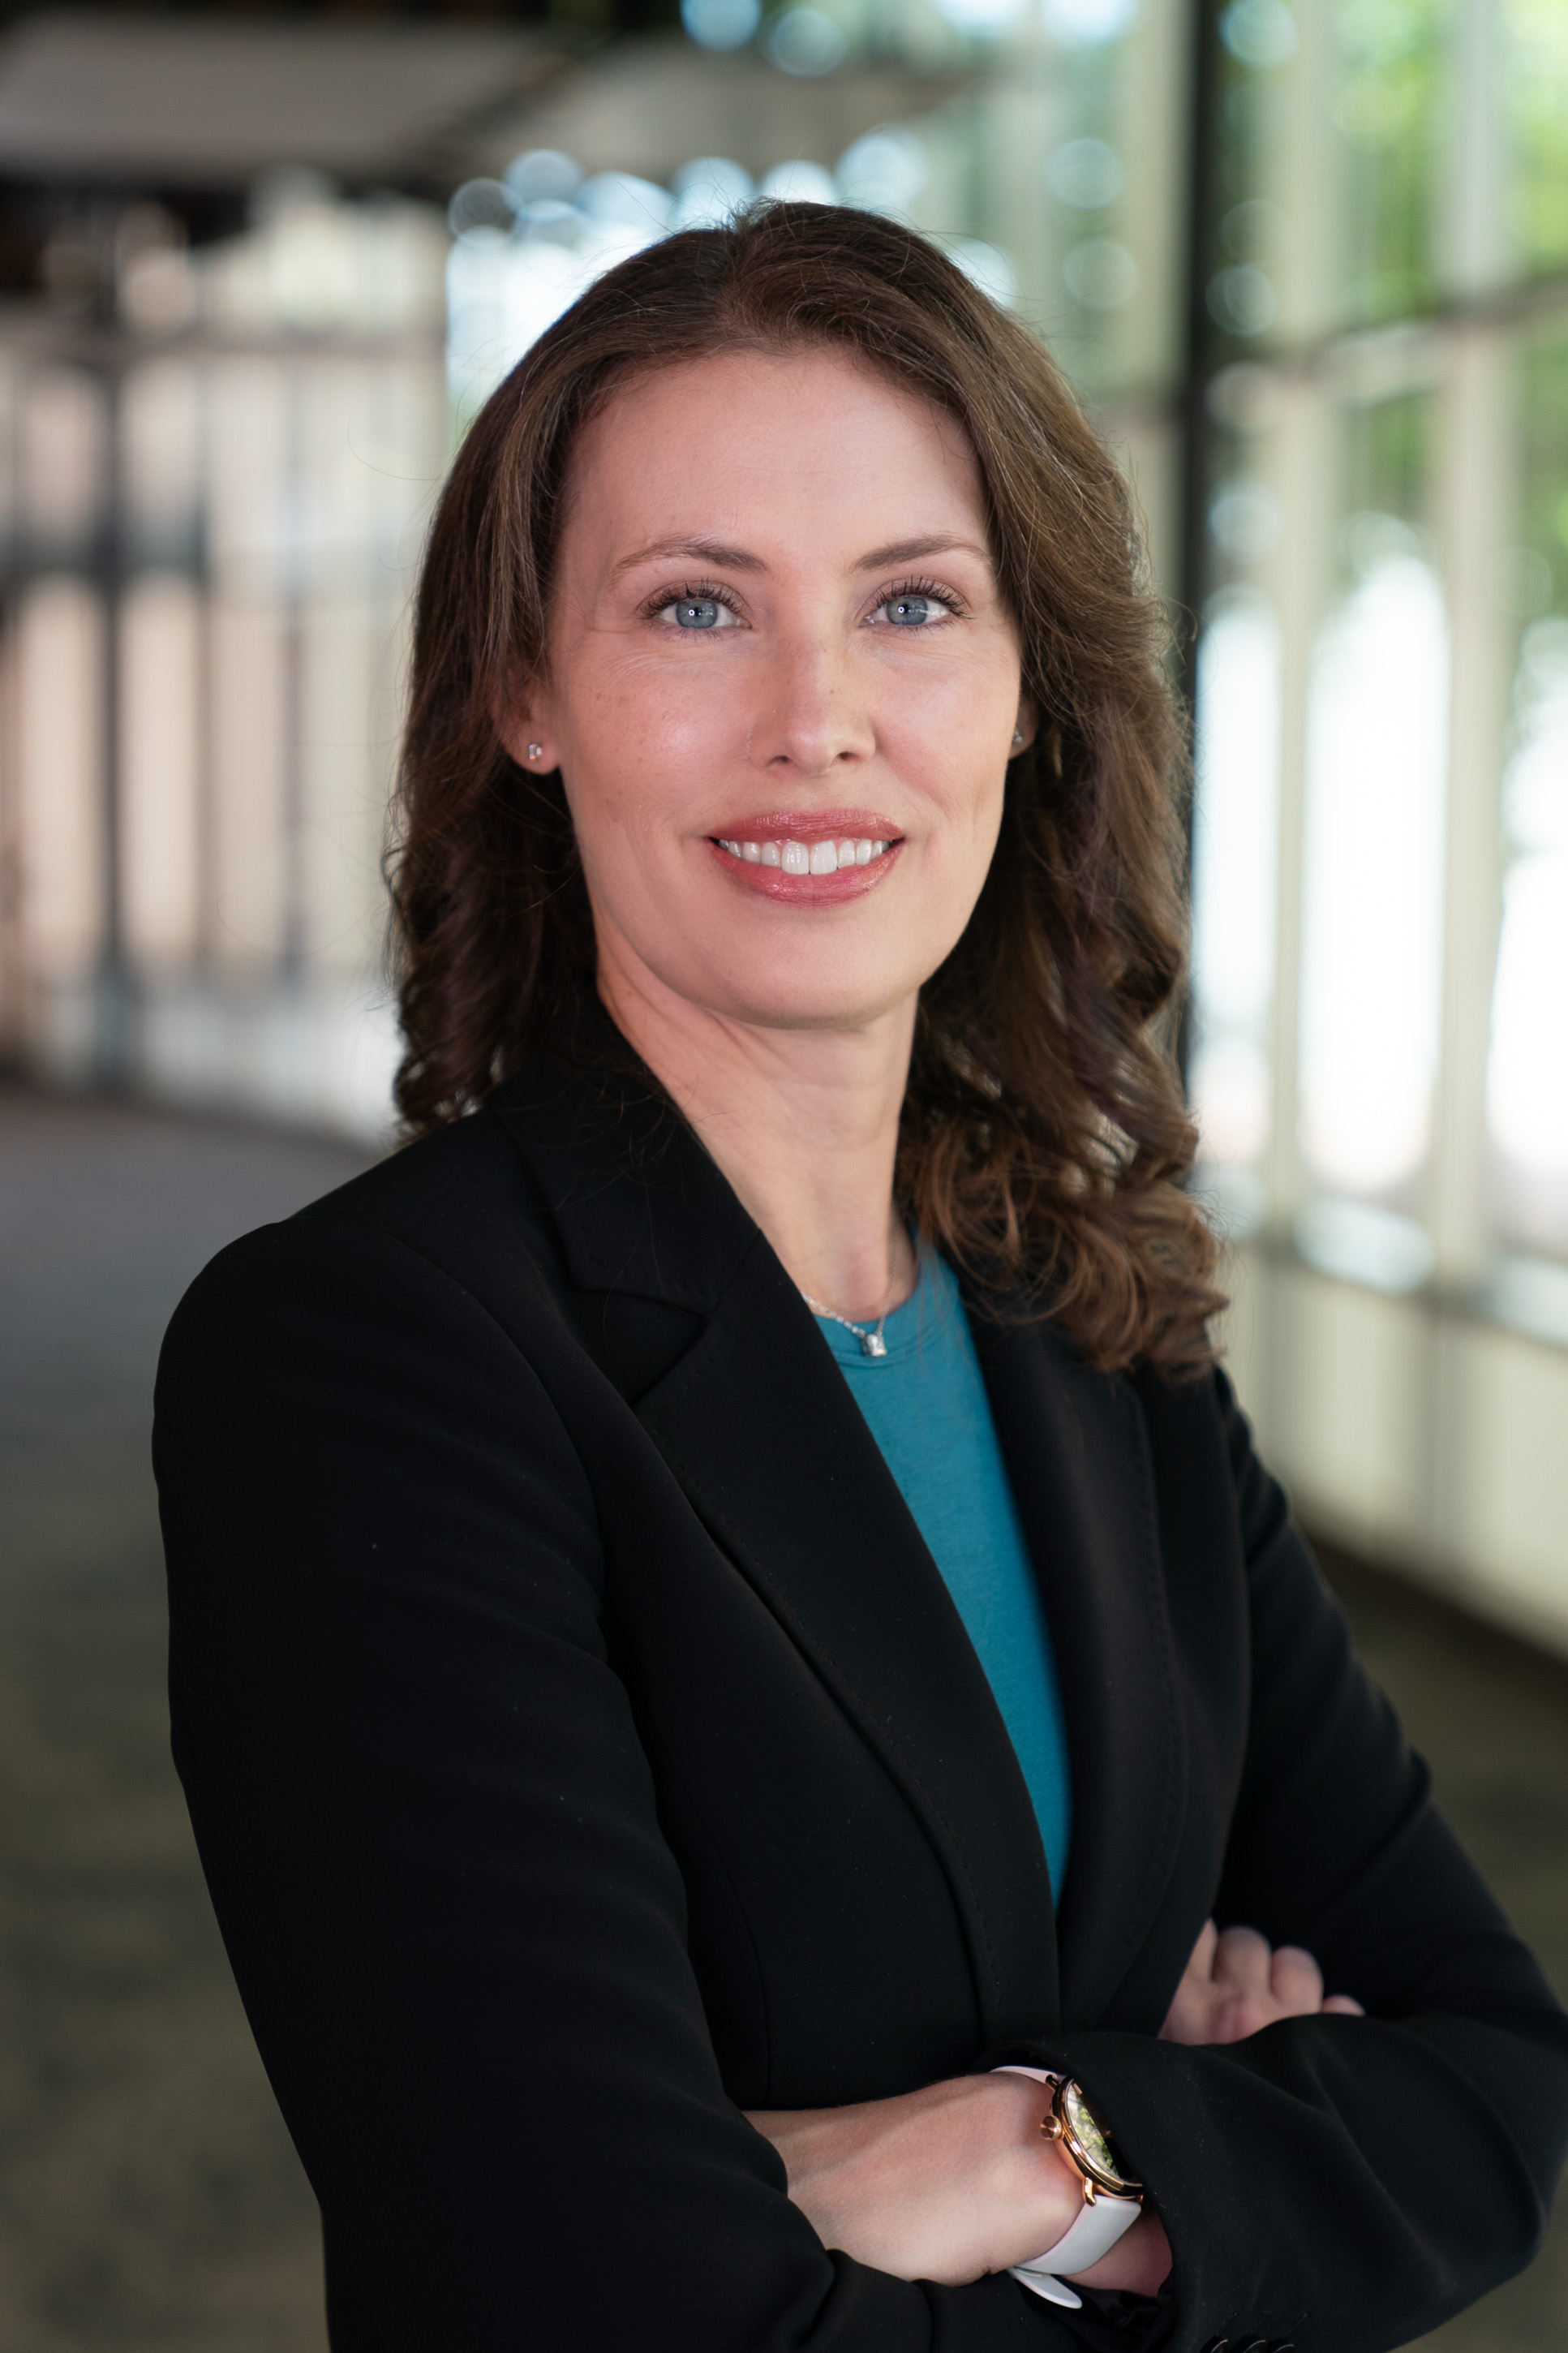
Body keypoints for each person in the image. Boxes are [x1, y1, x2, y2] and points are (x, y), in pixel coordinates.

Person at [154, 204, 1568, 2353]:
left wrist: (1042, 2152)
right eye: (698, 605)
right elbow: (603, 2308)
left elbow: (1492, 2081)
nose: (820, 720)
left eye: (913, 602)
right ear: (526, 688)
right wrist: (1208, 2145)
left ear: (1022, 691)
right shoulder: (369, 1360)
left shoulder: (1096, 1324)